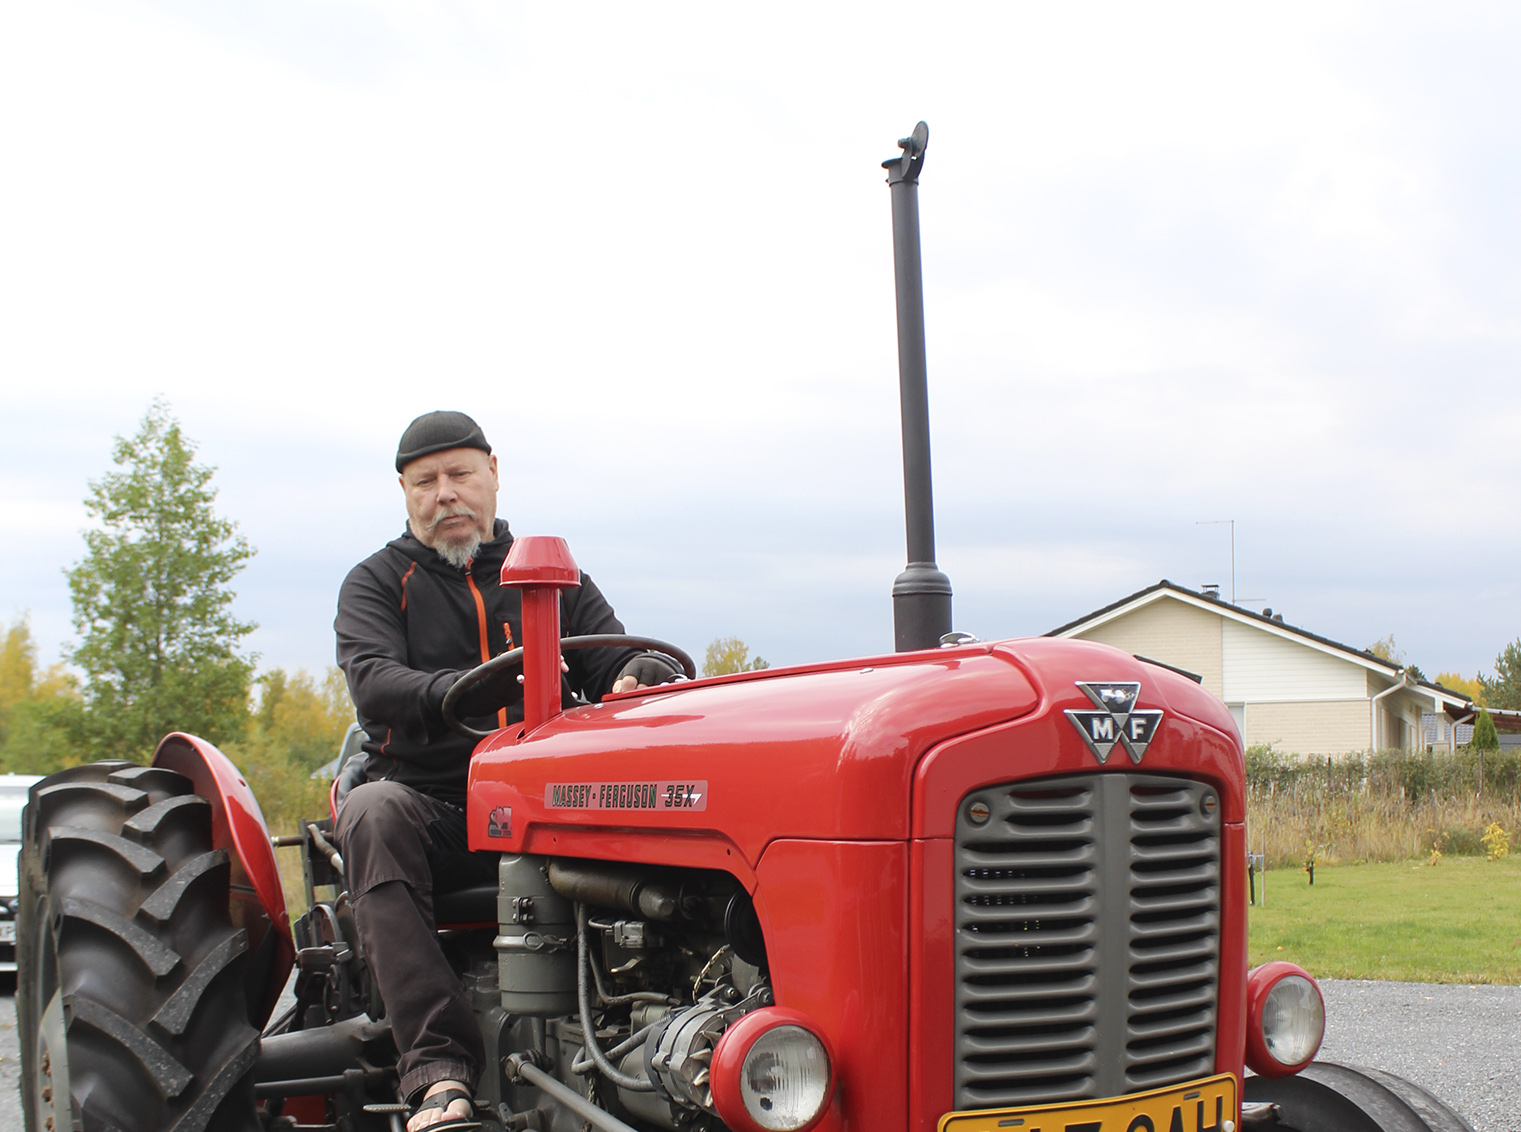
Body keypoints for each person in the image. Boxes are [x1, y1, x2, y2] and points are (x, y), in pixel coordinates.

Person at [333, 410, 680, 1132]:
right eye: (425, 481)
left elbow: (610, 657)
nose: (445, 494)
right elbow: (375, 683)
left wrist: (639, 672)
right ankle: (438, 1074)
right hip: (436, 807)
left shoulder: (554, 576)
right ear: (404, 492)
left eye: (460, 474)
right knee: (372, 813)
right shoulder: (375, 584)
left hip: (552, 811)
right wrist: (471, 686)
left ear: (493, 473)